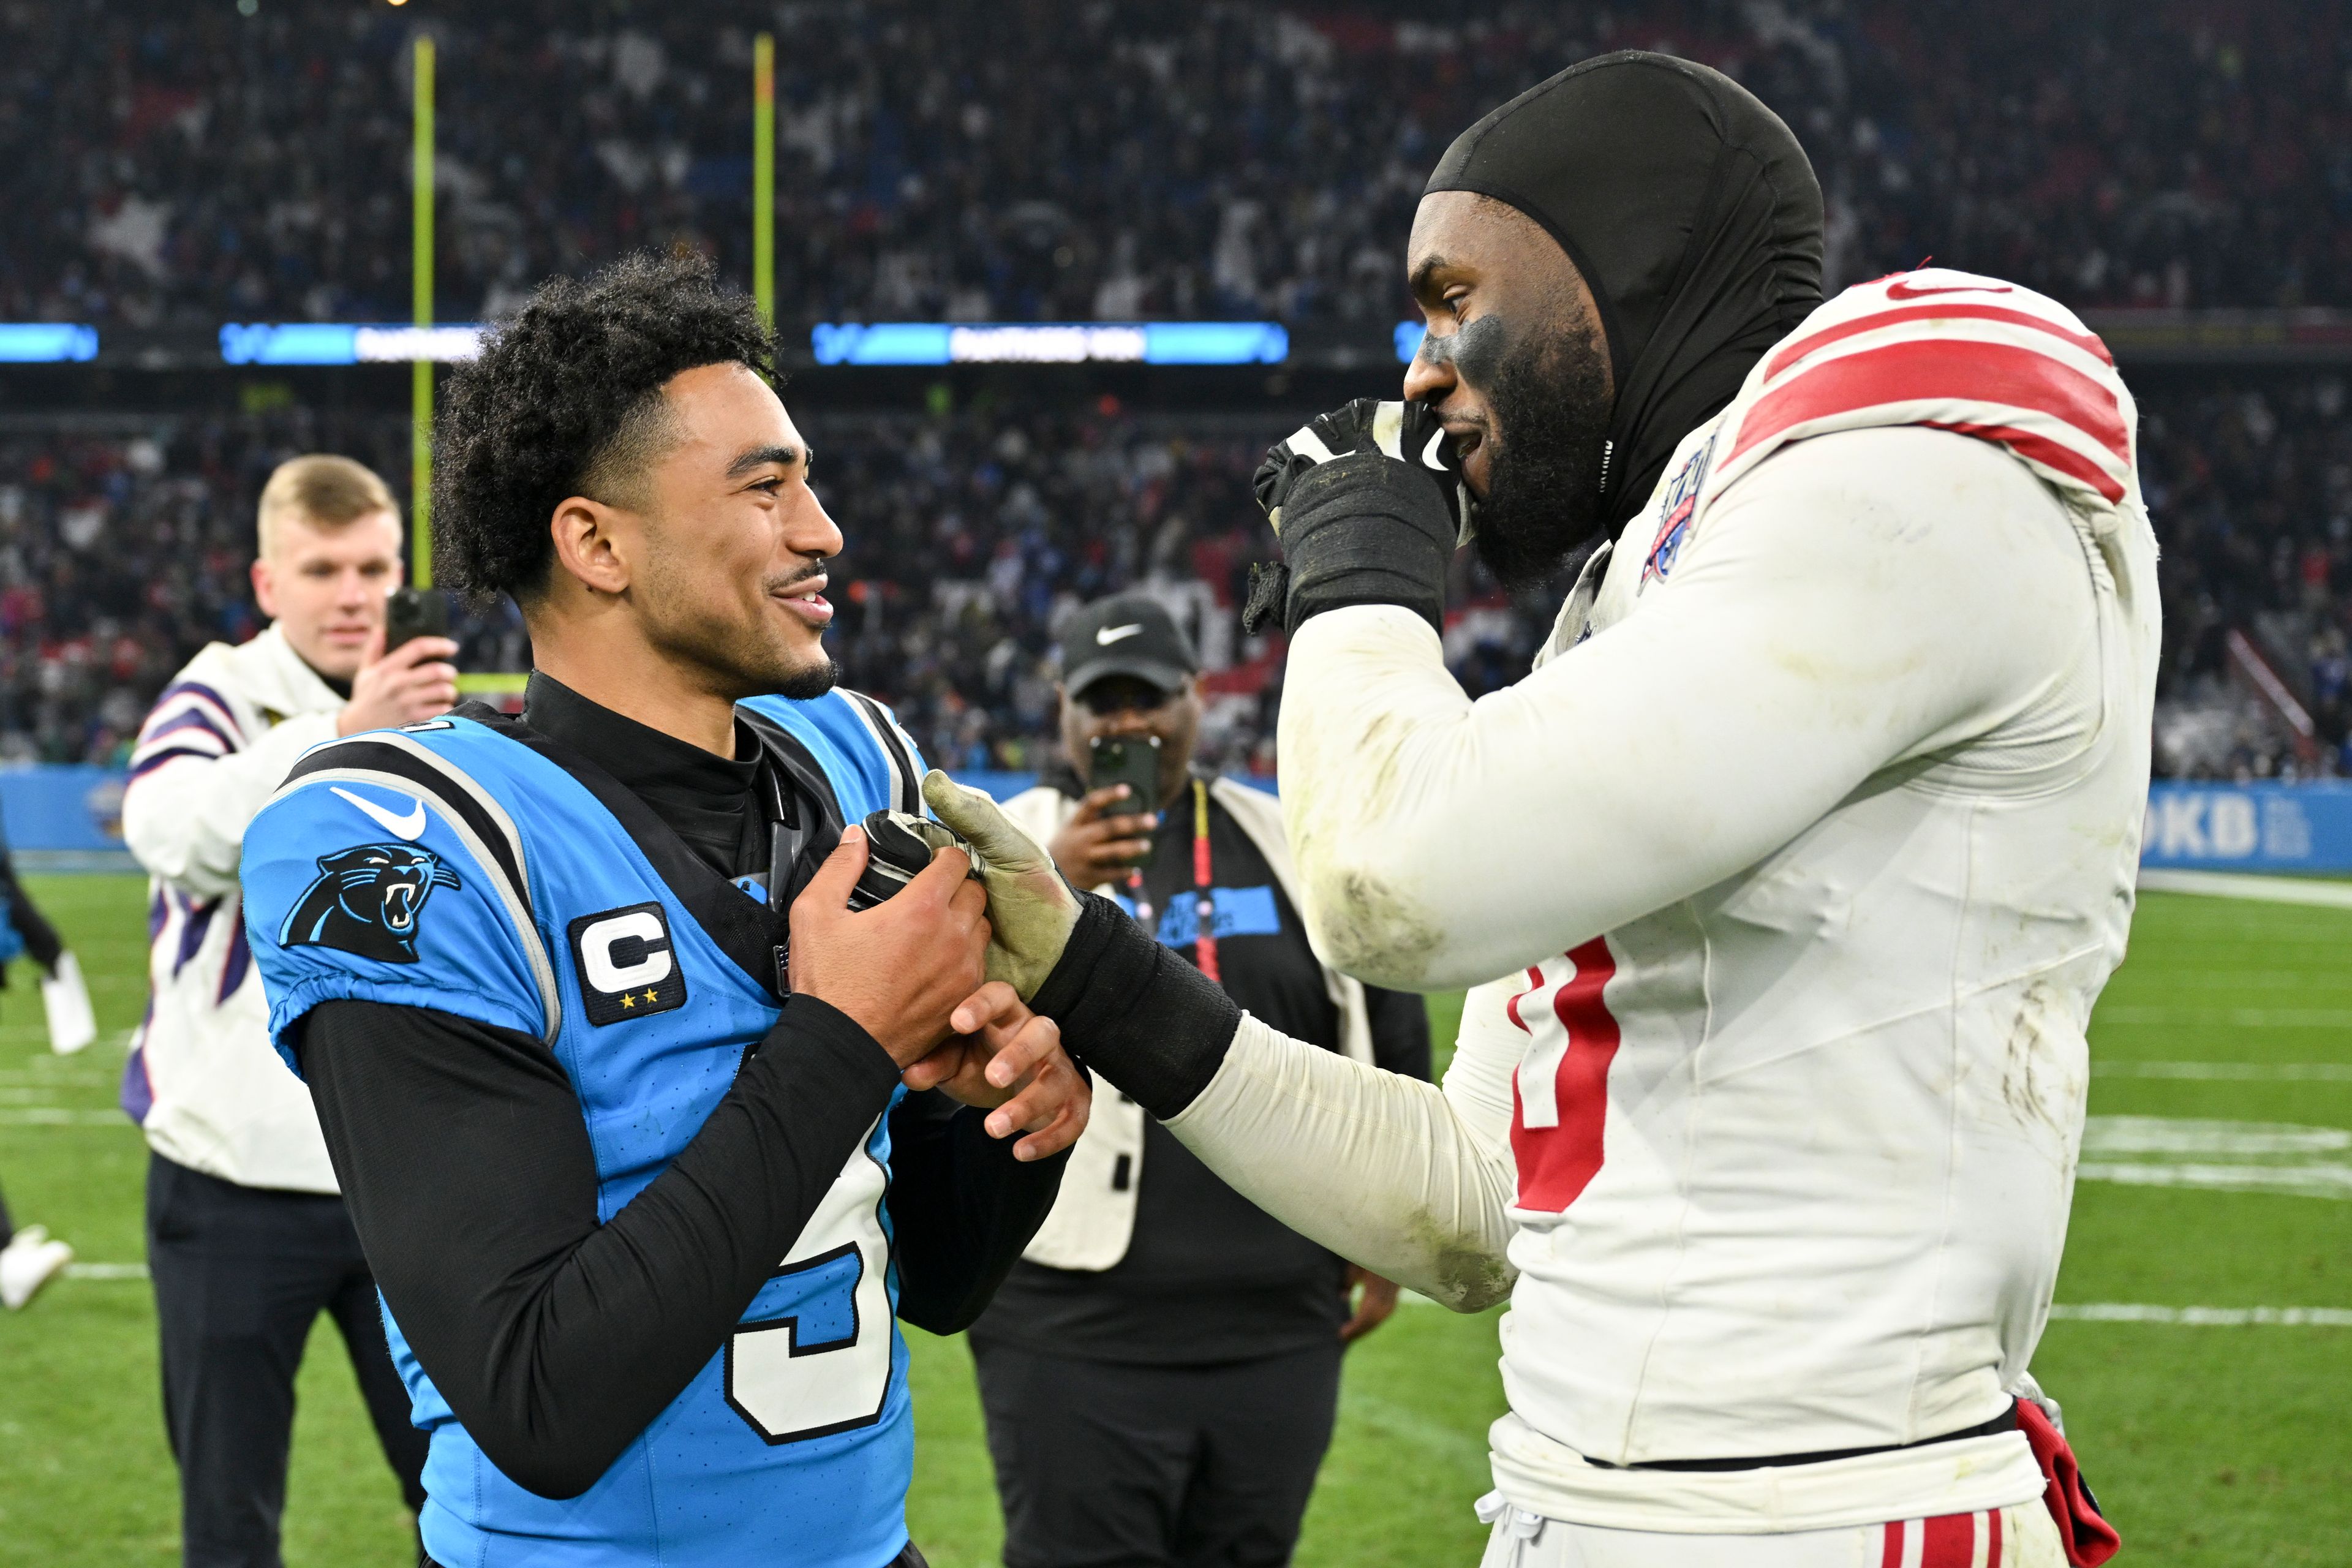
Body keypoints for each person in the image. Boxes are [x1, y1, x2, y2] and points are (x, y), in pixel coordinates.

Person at [924, 52, 2146, 1568]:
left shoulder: (1909, 476)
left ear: (1622, 273)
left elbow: (1383, 882)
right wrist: (1099, 979)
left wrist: (1361, 574)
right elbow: (1475, 1199)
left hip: (1824, 1506)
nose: (1421, 370)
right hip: (1617, 1496)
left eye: (1452, 299)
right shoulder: (1663, 584)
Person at [238, 253, 1090, 1568]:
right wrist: (846, 1033)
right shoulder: (406, 842)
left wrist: (1005, 1116)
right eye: (767, 485)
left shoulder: (855, 763)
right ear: (596, 541)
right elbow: (540, 1397)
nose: (824, 530)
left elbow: (941, 1279)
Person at [970, 592, 1430, 1568]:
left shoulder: (1284, 837)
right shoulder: (1004, 845)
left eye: (1150, 697)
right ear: (1062, 710)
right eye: (1103, 701)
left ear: (1199, 698)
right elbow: (936, 1023)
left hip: (1278, 1318)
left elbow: (1387, 1016)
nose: (1126, 723)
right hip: (1073, 1329)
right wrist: (1046, 880)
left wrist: (1395, 1228)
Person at [121, 453, 450, 1566]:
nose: (354, 593)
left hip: (396, 1179)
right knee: (229, 1517)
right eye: (323, 569)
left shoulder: (433, 707)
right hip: (229, 1186)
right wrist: (342, 727)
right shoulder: (219, 692)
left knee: (463, 1501)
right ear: (269, 585)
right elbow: (168, 832)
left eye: (374, 566)